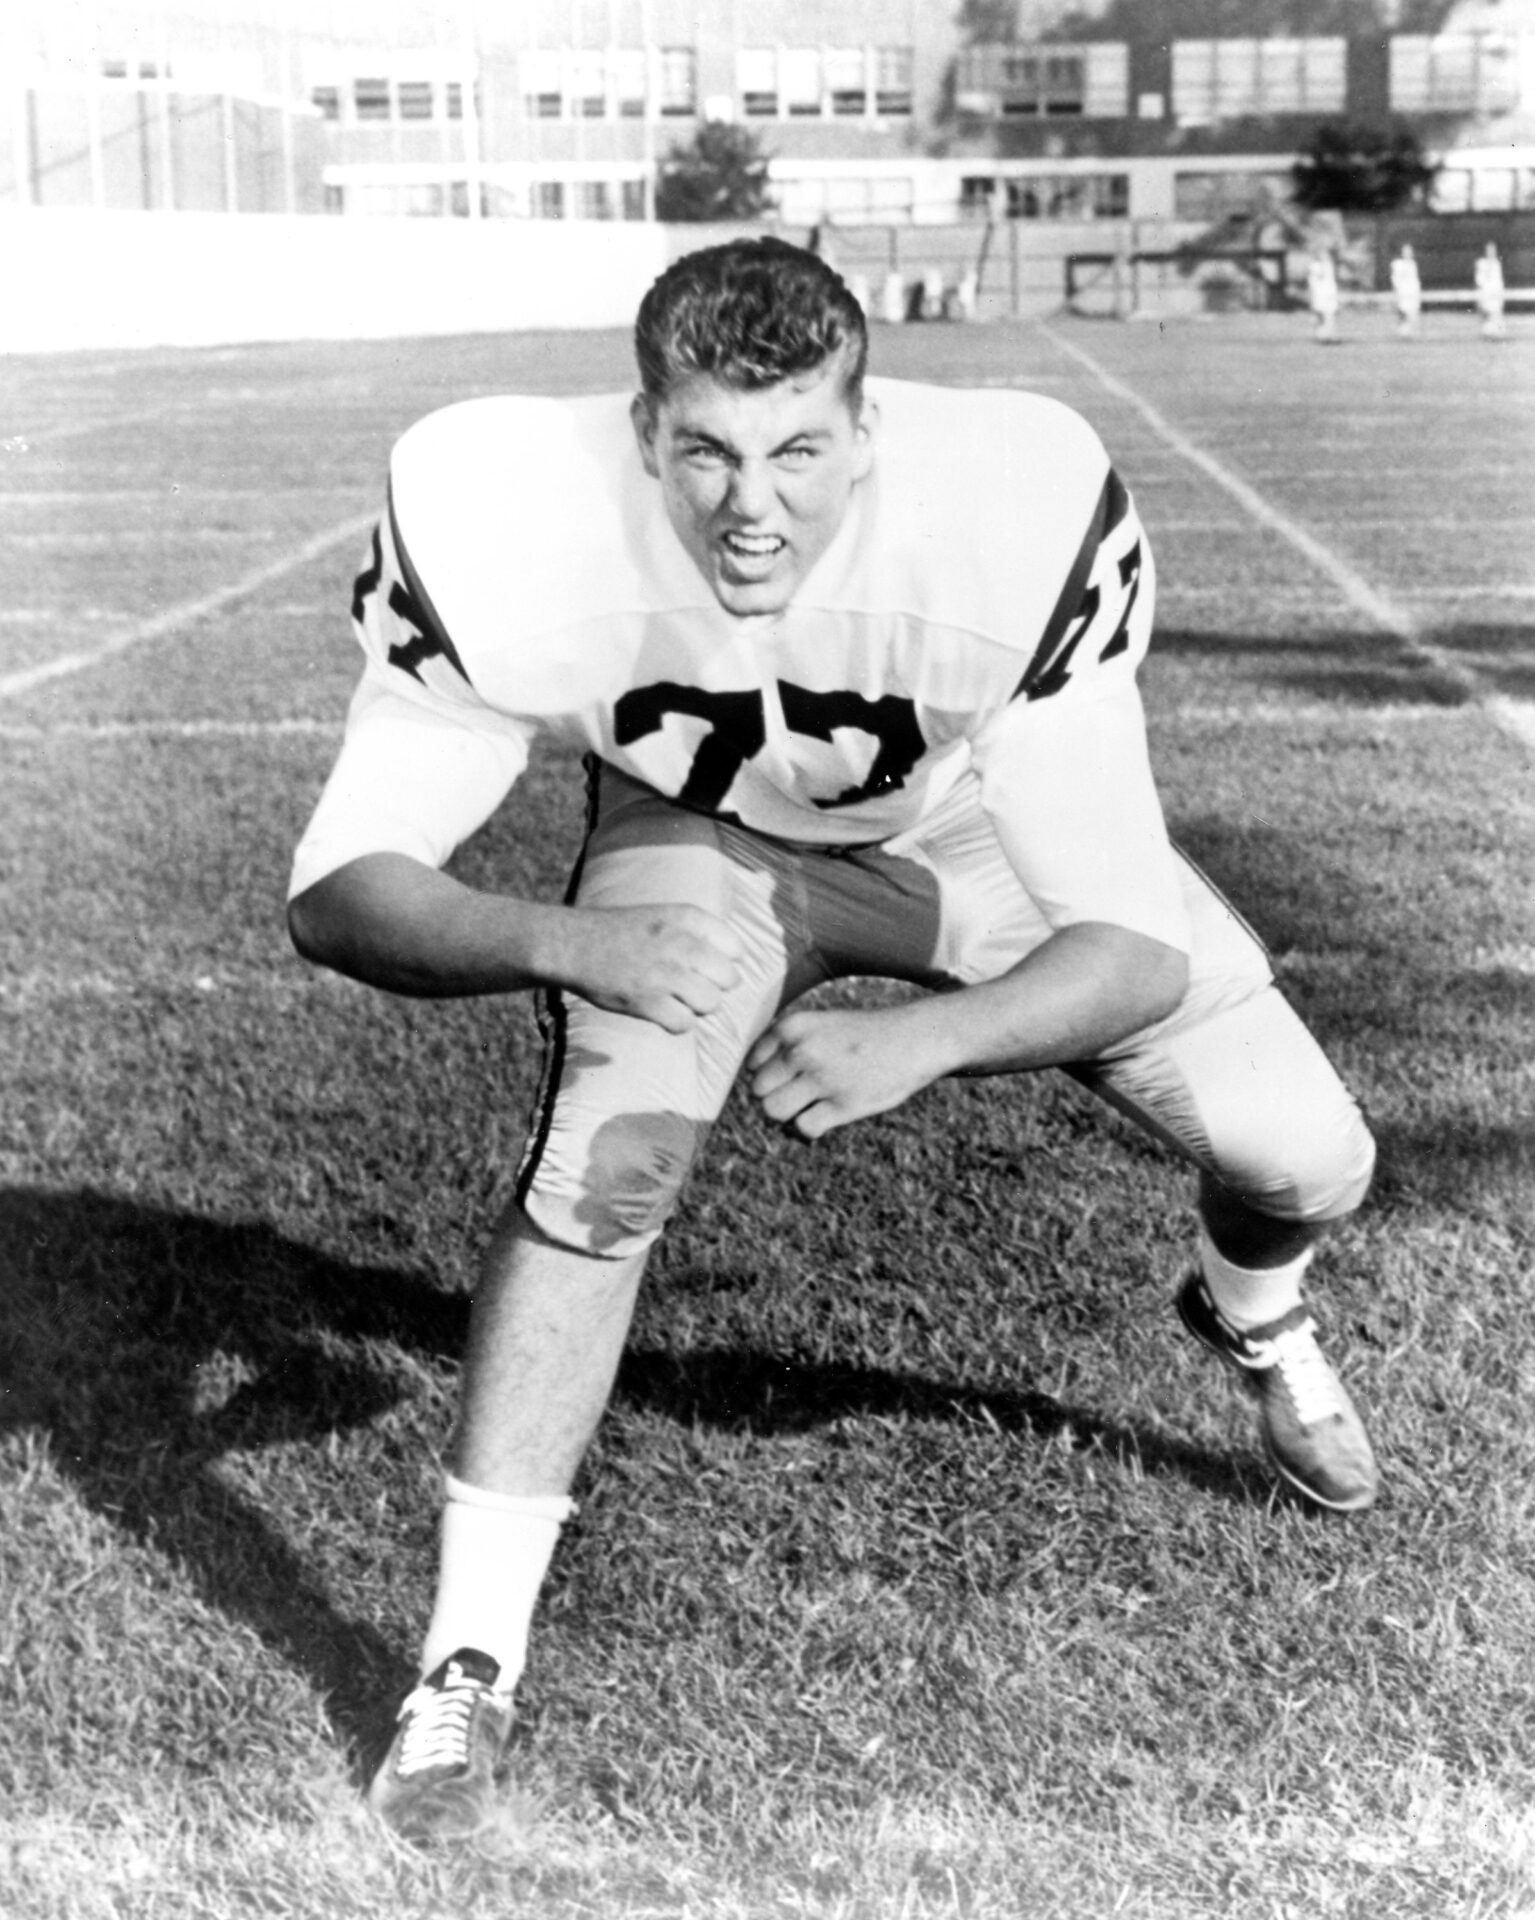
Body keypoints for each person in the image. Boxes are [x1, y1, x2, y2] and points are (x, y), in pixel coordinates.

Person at [287, 237, 1379, 1847]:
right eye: (707, 453)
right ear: (641, 431)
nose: (752, 507)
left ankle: (1255, 1323)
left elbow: (1128, 948)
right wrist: (571, 941)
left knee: (1306, 1158)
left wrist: (926, 1040)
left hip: (963, 837)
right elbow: (339, 893)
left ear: (867, 433)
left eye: (797, 451)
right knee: (606, 1167)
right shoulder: (498, 519)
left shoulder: (1009, 516)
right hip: (697, 841)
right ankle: (466, 1664)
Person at [1306, 246, 1341, 343]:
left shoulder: (1325, 265)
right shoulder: (1318, 265)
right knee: (1322, 315)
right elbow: (1314, 280)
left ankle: (1328, 335)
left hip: (1326, 293)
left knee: (1328, 315)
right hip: (1320, 293)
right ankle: (1323, 335)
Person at [1475, 241, 1507, 340]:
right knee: (1485, 318)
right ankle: (1486, 333)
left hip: (1496, 295)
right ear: (1485, 251)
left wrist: (1499, 294)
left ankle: (1496, 333)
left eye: (1493, 250)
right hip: (1485, 294)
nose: (1491, 252)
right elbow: (1479, 280)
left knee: (1496, 317)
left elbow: (1499, 281)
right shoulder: (1481, 263)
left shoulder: (1497, 264)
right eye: (1489, 250)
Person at [1390, 244, 1422, 338]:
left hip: (1413, 292)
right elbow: (1395, 279)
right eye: (1406, 251)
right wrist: (1397, 291)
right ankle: (1402, 331)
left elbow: (1415, 279)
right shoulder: (1397, 264)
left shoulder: (1413, 264)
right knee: (1403, 311)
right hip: (1403, 292)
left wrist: (1416, 291)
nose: (1408, 253)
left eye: (1409, 251)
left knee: (1413, 312)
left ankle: (1410, 332)